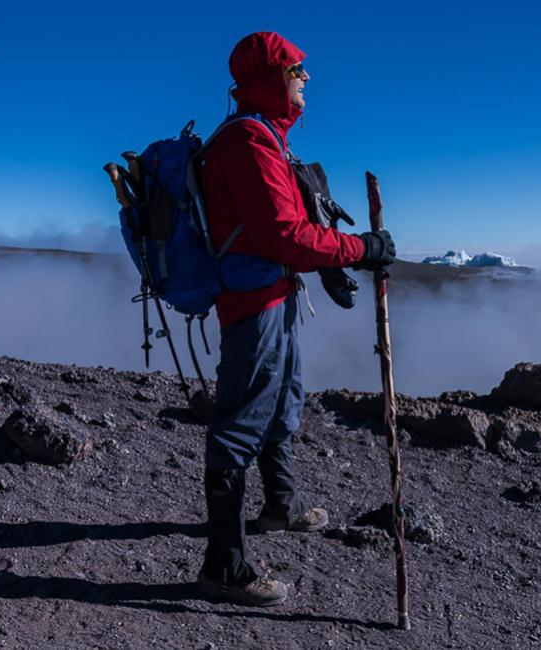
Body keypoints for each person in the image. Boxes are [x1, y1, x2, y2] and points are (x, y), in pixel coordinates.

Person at [197, 31, 396, 607]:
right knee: (239, 421)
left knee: (283, 400)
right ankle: (224, 567)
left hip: (273, 297)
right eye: (297, 68)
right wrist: (361, 249)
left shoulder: (265, 138)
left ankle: (279, 505)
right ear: (270, 76)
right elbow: (283, 234)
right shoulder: (248, 142)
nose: (306, 78)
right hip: (253, 304)